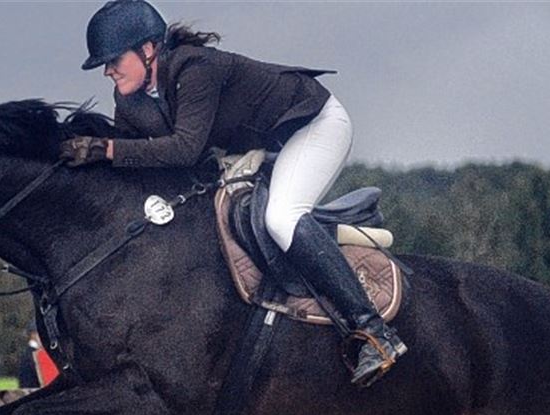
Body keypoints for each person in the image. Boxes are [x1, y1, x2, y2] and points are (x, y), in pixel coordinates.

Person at [61, 0, 407, 387]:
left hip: (313, 126)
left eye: (113, 60)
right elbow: (138, 164)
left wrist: (106, 149)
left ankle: (374, 332)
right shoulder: (130, 100)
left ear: (147, 50)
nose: (108, 70)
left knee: (282, 217)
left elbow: (184, 149)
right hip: (263, 149)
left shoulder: (195, 68)